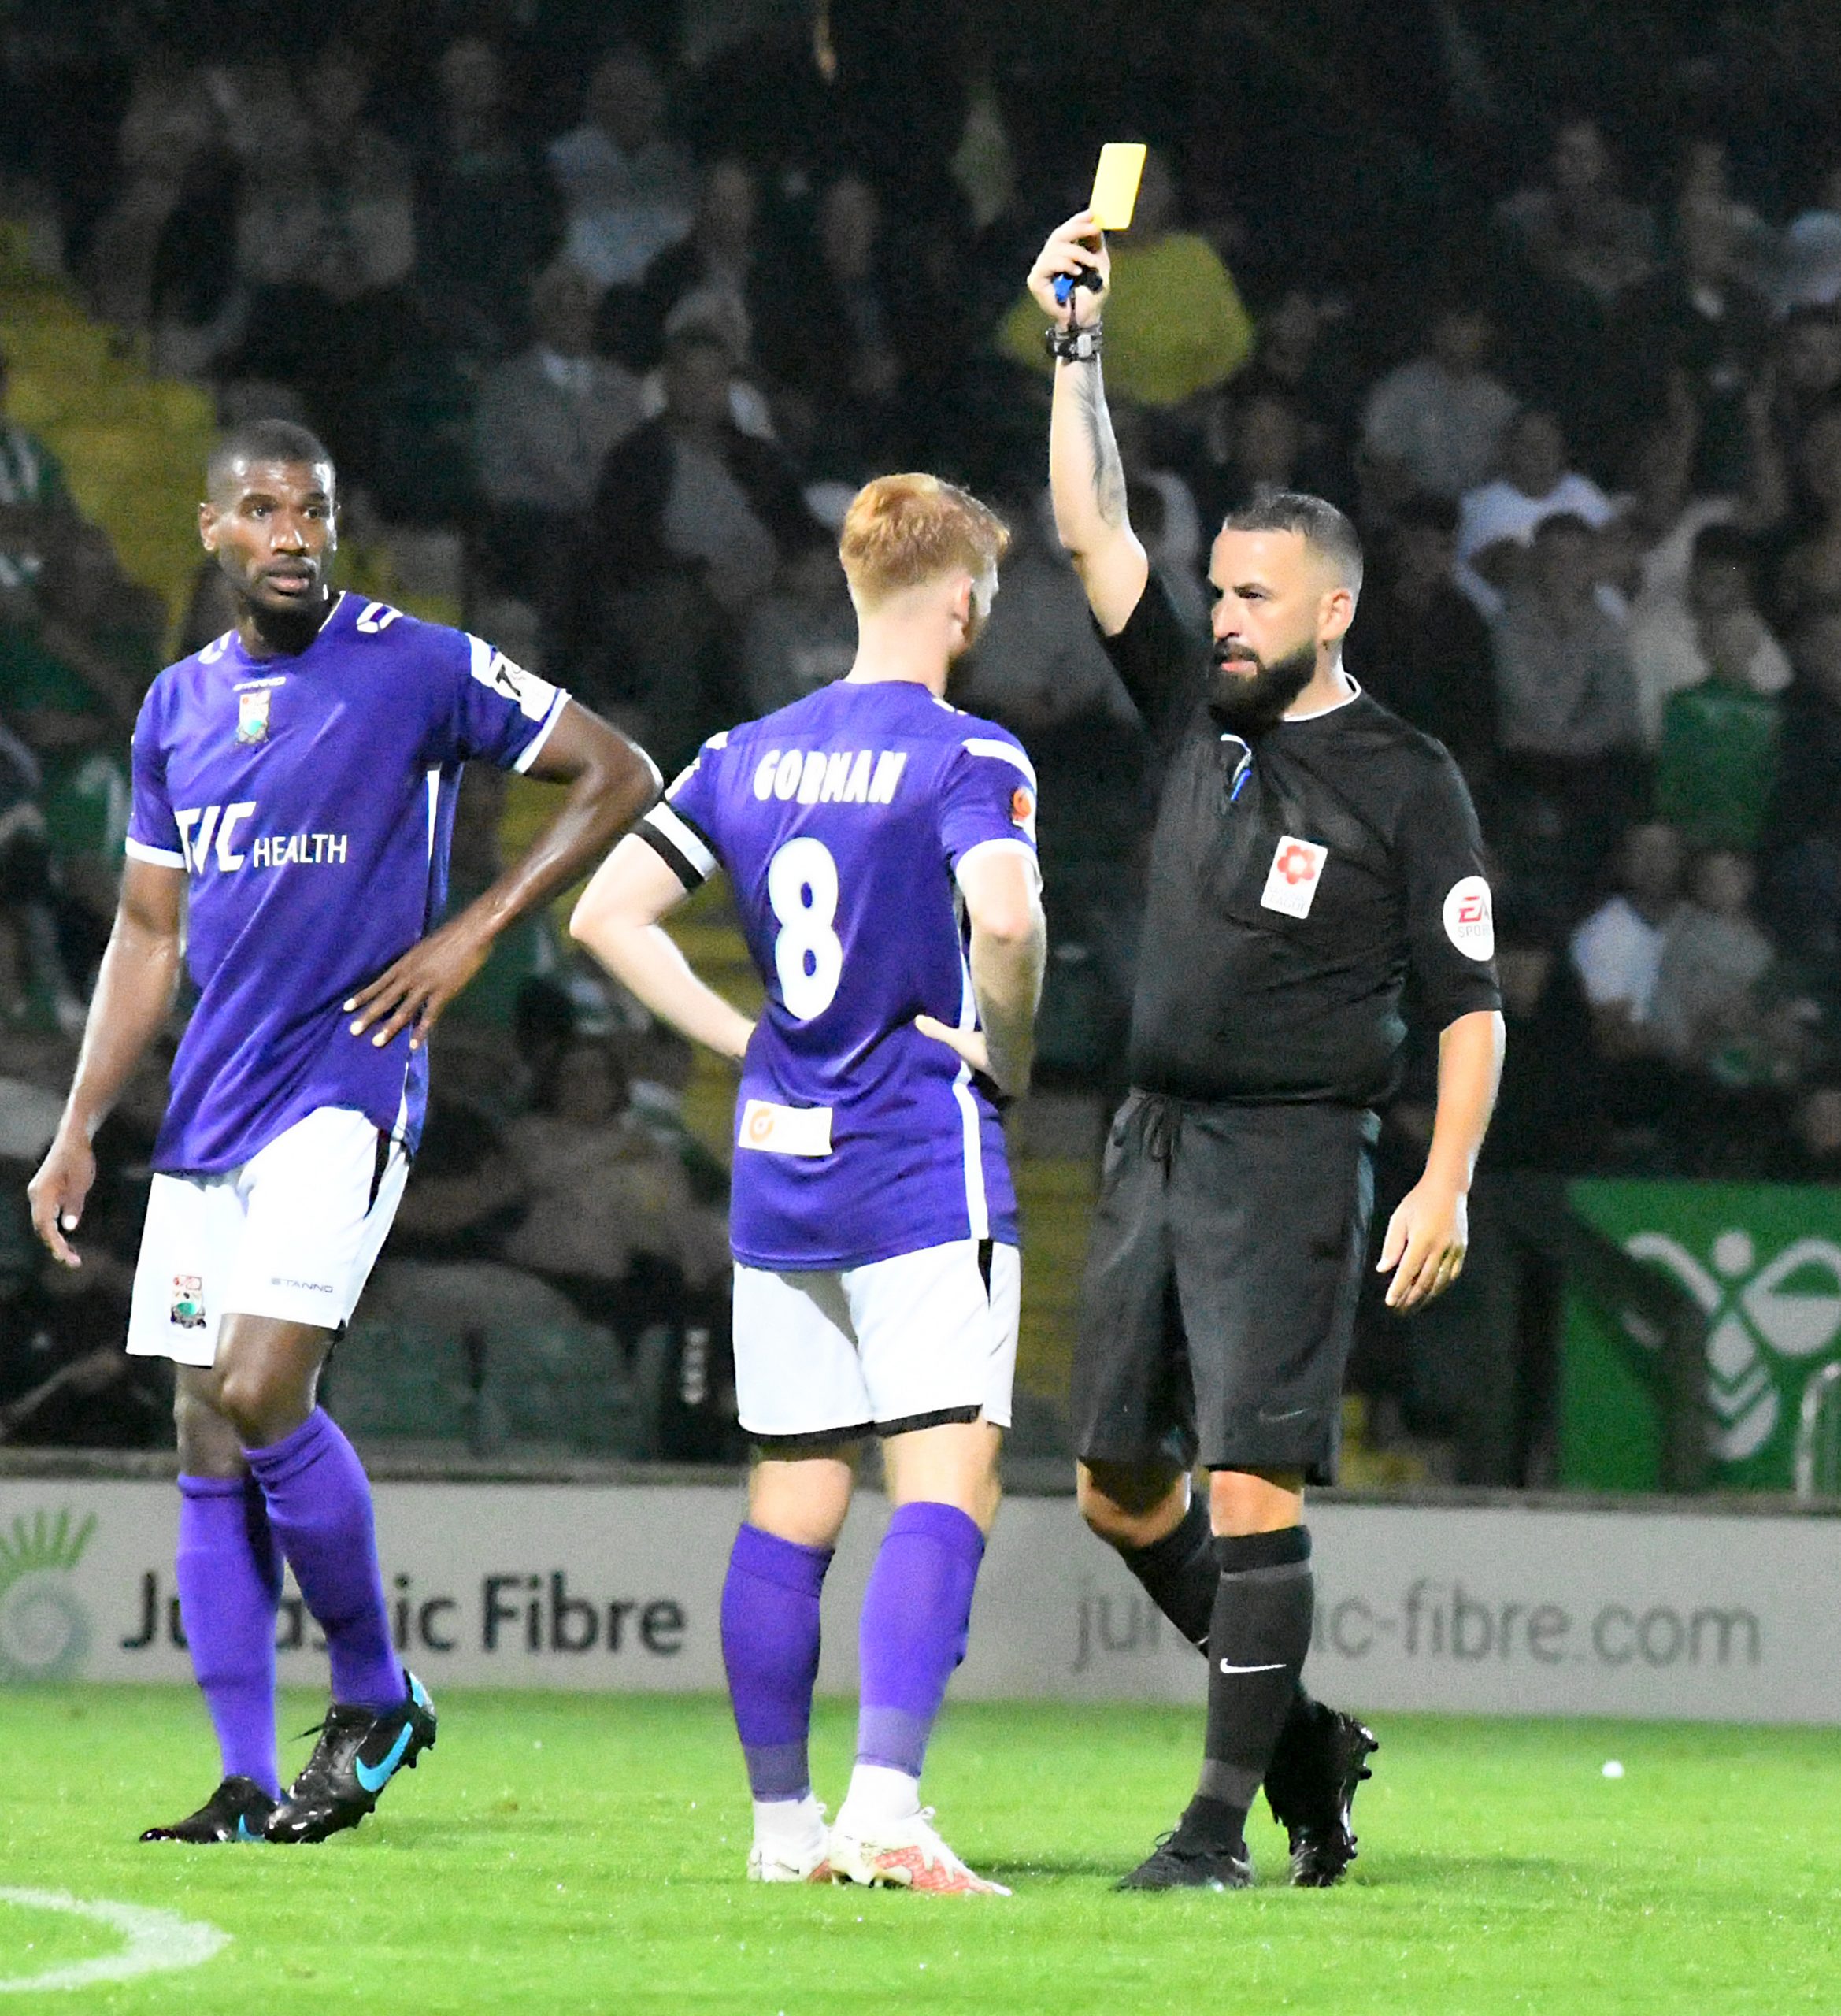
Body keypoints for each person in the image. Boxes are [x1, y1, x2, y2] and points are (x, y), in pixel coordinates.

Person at [26, 418, 657, 1846]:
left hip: (348, 1084)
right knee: (200, 1433)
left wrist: (471, 938)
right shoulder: (176, 708)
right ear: (213, 533)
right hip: (209, 1111)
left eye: (312, 507)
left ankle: (372, 1693)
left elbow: (618, 768)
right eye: (262, 510)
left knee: (257, 1389)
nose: (294, 532)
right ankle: (246, 1782)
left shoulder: (416, 663)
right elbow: (144, 931)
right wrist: (76, 1131)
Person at [1025, 213, 1504, 1891]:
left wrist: (1439, 1174)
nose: (1217, 617)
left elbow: (1466, 1001)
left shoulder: (1403, 776)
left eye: (1249, 596)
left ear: (1334, 609)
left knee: (1243, 1478)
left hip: (1293, 1153)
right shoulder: (1187, 710)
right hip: (1148, 1136)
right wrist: (1073, 345)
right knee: (1111, 1487)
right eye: (1214, 590)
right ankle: (1302, 1733)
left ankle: (1219, 1824)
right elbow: (1086, 520)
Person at [571, 472, 1045, 1895]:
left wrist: (748, 1043)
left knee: (791, 1491)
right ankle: (886, 1809)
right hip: (913, 1153)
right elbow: (1008, 922)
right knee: (945, 1478)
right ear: (960, 600)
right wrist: (1004, 1057)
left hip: (783, 1169)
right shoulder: (970, 751)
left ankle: (784, 1828)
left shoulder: (744, 751)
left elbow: (605, 913)